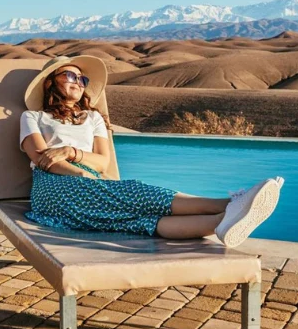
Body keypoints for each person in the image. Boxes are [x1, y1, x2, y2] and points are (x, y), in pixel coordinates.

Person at [19, 55, 283, 248]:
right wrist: (79, 171)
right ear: (49, 83)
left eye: (82, 78)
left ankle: (220, 222)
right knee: (135, 191)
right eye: (70, 76)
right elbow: (44, 160)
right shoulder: (33, 116)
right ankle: (233, 204)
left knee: (140, 222)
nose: (78, 82)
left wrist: (70, 152)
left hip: (90, 181)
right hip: (53, 189)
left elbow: (102, 162)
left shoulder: (94, 118)